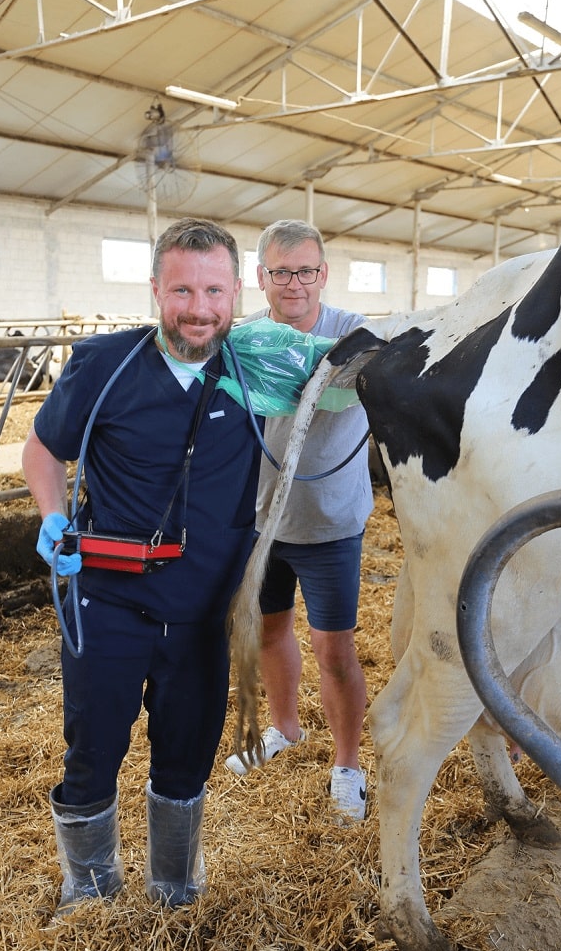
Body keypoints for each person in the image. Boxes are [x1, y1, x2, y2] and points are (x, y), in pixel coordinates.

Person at [22, 217, 341, 915]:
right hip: (106, 601)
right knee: (93, 748)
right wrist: (50, 513)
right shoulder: (102, 364)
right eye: (183, 290)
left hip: (203, 611)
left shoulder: (254, 366)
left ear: (238, 291)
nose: (199, 308)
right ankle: (91, 892)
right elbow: (43, 450)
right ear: (156, 290)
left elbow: (348, 379)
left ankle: (174, 890)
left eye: (214, 290)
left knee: (187, 755)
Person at [225, 219, 373, 821]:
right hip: (262, 519)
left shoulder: (357, 338)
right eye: (281, 272)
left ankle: (347, 765)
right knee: (267, 631)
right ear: (260, 278)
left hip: (330, 520)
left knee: (334, 649)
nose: (294, 284)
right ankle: (284, 728)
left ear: (323, 274)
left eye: (305, 270)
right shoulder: (244, 342)